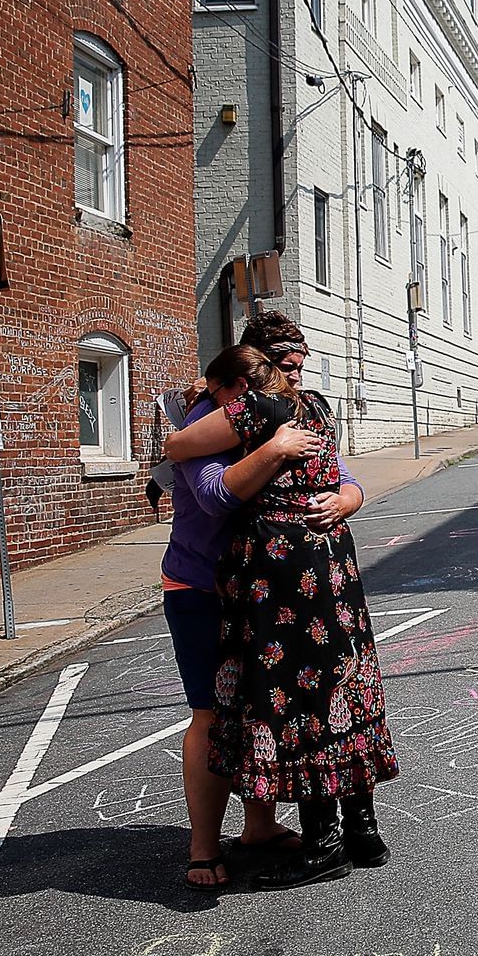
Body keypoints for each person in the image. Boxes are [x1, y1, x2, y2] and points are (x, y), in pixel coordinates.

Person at [165, 317, 395, 890]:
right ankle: (207, 848)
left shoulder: (277, 407)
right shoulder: (235, 411)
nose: (295, 374)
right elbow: (211, 493)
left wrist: (344, 500)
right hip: (208, 582)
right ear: (254, 364)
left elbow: (345, 478)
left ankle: (302, 834)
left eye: (299, 364)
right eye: (285, 365)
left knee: (299, 698)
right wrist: (272, 445)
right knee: (229, 711)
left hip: (279, 580)